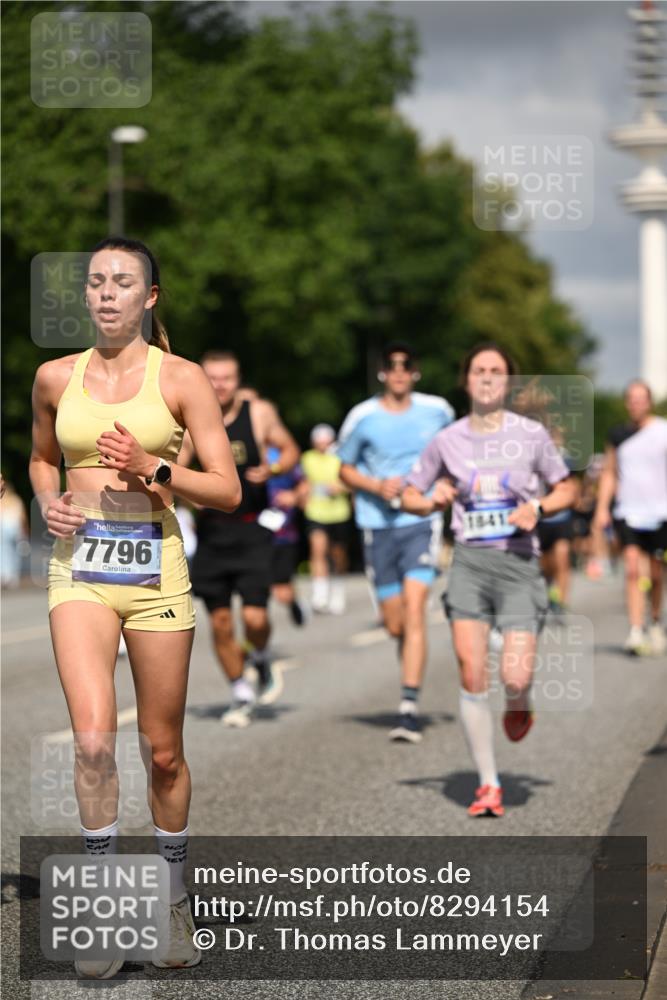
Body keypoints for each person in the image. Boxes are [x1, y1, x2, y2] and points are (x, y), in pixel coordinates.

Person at [29, 237, 241, 978]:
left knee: (162, 752)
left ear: (149, 297)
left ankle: (173, 902)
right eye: (96, 282)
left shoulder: (181, 379)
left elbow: (227, 489)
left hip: (156, 575)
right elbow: (41, 458)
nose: (107, 293)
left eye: (123, 282)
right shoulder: (55, 377)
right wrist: (49, 502)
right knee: (93, 741)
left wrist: (155, 466)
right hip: (79, 570)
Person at [403, 342, 577, 817]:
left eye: (495, 371)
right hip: (470, 564)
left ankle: (520, 701)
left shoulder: (531, 435)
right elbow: (409, 495)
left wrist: (537, 507)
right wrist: (431, 499)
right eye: (478, 370)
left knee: (514, 676)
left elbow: (567, 489)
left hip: (518, 563)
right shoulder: (447, 440)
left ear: (508, 382)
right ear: (466, 380)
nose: (486, 377)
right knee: (472, 672)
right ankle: (488, 783)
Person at [337, 343, 454, 743]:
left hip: (421, 521)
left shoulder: (437, 410)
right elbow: (343, 469)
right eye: (392, 365)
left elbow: (455, 453)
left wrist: (443, 487)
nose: (399, 371)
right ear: (382, 372)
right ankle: (409, 662)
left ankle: (408, 707)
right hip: (377, 525)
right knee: (395, 623)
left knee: (416, 609)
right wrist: (376, 485)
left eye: (407, 365)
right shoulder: (362, 416)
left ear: (415, 372)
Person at [182, 352, 300, 727]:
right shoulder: (189, 417)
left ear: (238, 379)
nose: (219, 385)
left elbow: (291, 449)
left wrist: (274, 468)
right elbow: (174, 468)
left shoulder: (259, 413)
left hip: (252, 529)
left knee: (255, 617)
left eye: (227, 378)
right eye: (212, 378)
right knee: (219, 622)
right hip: (213, 533)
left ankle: (260, 657)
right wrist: (190, 493)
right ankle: (240, 692)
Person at [594, 380, 667, 656]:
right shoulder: (617, 435)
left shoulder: (662, 430)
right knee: (633, 569)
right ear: (627, 403)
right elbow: (609, 472)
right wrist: (602, 508)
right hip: (629, 511)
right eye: (632, 399)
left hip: (660, 512)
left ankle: (655, 621)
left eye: (641, 398)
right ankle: (636, 630)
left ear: (649, 401)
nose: (636, 403)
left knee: (657, 573)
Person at [301, 423, 351, 615]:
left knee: (338, 554)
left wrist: (341, 487)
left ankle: (337, 590)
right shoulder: (307, 458)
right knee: (317, 549)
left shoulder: (341, 457)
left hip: (338, 512)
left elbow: (352, 482)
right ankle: (320, 595)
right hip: (316, 511)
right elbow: (304, 481)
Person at [266, 444, 307, 626]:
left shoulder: (282, 454)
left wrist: (294, 496)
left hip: (283, 534)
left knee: (282, 591)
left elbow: (305, 484)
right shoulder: (240, 450)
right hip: (252, 534)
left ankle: (293, 602)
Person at [0, 475, 28, 587]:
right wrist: (25, 529)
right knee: (15, 552)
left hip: (4, 527)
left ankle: (5, 575)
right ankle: (13, 576)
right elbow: (22, 516)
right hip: (15, 527)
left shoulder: (2, 500)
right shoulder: (16, 500)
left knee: (4, 551)